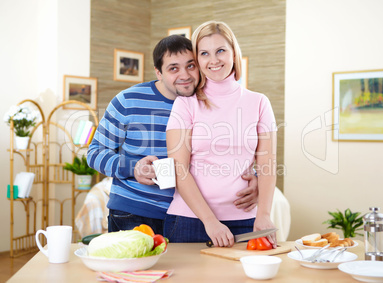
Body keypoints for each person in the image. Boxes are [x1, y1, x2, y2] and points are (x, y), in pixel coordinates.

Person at [87, 35, 259, 235]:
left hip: (189, 215)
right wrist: (133, 168)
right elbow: (94, 153)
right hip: (136, 211)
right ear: (159, 73)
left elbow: (225, 152)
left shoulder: (209, 102)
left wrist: (253, 179)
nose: (184, 75)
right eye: (173, 68)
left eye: (191, 65)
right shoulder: (128, 101)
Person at [164, 21, 278, 247]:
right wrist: (210, 221)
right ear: (197, 60)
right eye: (204, 53)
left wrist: (263, 213)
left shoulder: (259, 102)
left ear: (234, 53)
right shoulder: (186, 104)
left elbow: (268, 164)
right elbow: (179, 169)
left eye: (221, 51)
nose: (213, 60)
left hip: (246, 220)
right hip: (190, 221)